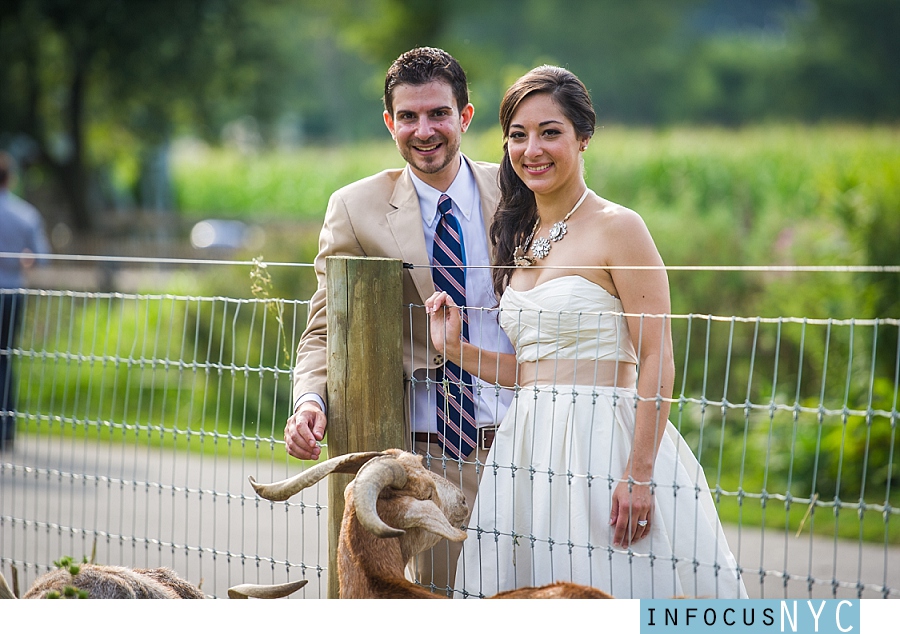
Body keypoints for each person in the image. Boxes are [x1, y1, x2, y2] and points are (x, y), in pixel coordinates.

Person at [425, 66, 747, 599]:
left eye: (550, 132)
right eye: (518, 135)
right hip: (526, 446)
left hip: (604, 444)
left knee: (610, 589)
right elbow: (532, 373)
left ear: (583, 137)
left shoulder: (620, 228)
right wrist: (453, 349)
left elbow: (656, 357)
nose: (533, 149)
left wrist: (639, 473)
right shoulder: (518, 234)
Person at [284, 47, 514, 594]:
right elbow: (324, 327)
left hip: (528, 435)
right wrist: (310, 401)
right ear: (390, 123)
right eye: (408, 117)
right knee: (448, 598)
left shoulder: (519, 191)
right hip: (434, 453)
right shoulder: (355, 208)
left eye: (438, 113)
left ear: (465, 116)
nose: (424, 130)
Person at [0, 150, 50, 451]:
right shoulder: (25, 214)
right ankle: (6, 426)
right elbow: (40, 258)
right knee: (5, 358)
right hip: (12, 292)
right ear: (11, 178)